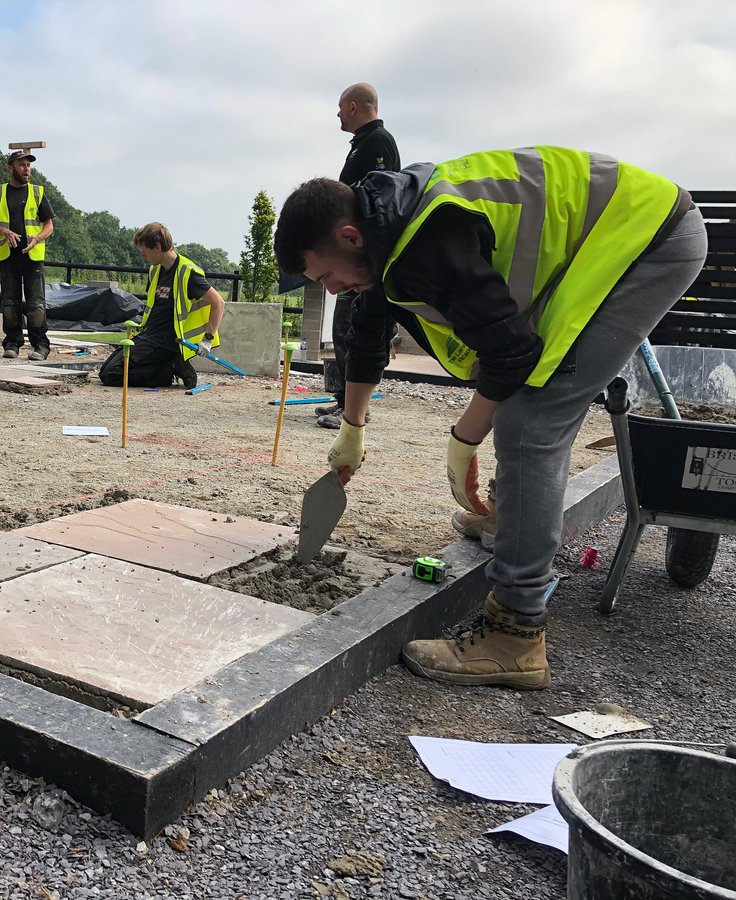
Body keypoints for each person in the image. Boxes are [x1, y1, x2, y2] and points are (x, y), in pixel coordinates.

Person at [274, 146, 705, 690]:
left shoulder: (424, 242)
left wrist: (465, 437)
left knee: (530, 421)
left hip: (644, 241)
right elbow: (366, 332)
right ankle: (511, 517)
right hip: (622, 233)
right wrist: (352, 427)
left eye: (328, 275)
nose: (330, 289)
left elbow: (510, 355)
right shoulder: (384, 230)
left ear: (349, 237)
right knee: (531, 400)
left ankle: (515, 635)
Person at [319, 82, 401, 428]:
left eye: (340, 107)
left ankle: (356, 409)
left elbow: (377, 195)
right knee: (343, 328)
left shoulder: (378, 142)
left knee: (357, 328)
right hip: (350, 254)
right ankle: (343, 400)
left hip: (362, 258)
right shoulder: (361, 145)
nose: (337, 114)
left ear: (354, 106)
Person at [98, 223, 225, 390]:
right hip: (151, 335)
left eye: (145, 251)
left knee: (111, 373)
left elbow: (218, 303)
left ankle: (169, 368)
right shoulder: (155, 271)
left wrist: (207, 339)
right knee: (108, 368)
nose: (143, 256)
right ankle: (171, 365)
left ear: (157, 247)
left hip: (167, 341)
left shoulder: (187, 273)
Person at [0, 150, 55, 360]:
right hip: (7, 255)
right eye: (22, 165)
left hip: (32, 256)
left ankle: (41, 345)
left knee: (36, 304)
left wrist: (37, 239)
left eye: (28, 165)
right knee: (9, 303)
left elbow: (49, 226)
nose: (27, 169)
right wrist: (3, 231)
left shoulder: (38, 192)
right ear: (10, 168)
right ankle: (12, 343)